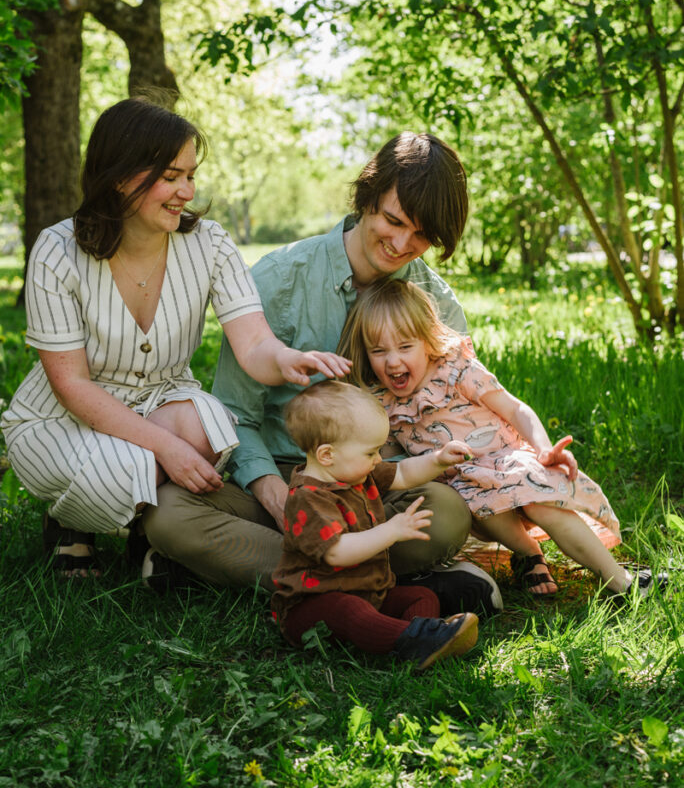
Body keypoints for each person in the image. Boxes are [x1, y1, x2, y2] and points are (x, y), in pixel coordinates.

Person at [143, 132, 502, 616]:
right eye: (393, 221)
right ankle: (389, 585)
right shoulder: (279, 279)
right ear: (366, 199)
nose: (401, 244)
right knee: (168, 515)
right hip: (284, 477)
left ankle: (269, 573)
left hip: (376, 487)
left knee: (446, 516)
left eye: (420, 236)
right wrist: (275, 496)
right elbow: (235, 416)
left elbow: (455, 410)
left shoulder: (433, 302)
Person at [1, 98, 349, 576]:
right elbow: (72, 385)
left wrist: (287, 359)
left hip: (161, 400)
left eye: (190, 175)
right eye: (170, 176)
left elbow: (253, 344)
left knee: (207, 431)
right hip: (65, 415)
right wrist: (165, 449)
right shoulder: (56, 250)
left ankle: (150, 533)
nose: (186, 191)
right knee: (128, 467)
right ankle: (69, 520)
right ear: (120, 175)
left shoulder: (209, 242)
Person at [338, 278, 666, 599]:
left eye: (405, 347)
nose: (392, 361)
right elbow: (392, 461)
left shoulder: (456, 370)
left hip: (507, 461)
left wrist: (543, 449)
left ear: (427, 340)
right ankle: (528, 552)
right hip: (462, 487)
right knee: (476, 499)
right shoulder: (383, 403)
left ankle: (618, 579)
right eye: (378, 351)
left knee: (540, 503)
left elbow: (515, 410)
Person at [272, 380, 479, 670]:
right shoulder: (309, 499)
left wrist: (437, 460)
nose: (378, 459)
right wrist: (391, 530)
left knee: (421, 595)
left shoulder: (356, 472)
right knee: (348, 609)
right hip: (312, 606)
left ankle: (422, 641)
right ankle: (411, 639)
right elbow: (337, 552)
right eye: (371, 453)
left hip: (369, 591)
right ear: (327, 455)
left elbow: (404, 475)